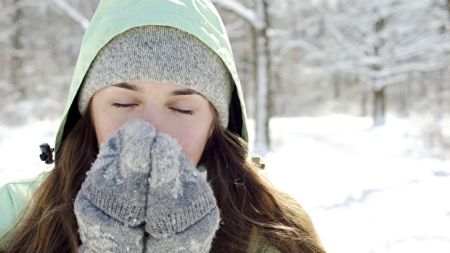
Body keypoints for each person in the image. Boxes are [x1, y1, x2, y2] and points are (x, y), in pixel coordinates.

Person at [0, 0, 326, 252]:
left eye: (182, 109)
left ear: (215, 124)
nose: (151, 129)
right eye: (124, 104)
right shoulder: (14, 217)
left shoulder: (275, 233)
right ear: (88, 114)